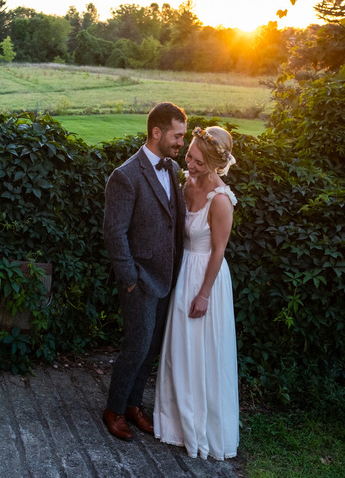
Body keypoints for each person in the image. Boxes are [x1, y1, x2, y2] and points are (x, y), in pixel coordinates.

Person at [102, 102, 187, 441]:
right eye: (177, 135)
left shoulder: (173, 170)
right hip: (140, 279)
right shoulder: (125, 175)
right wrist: (130, 280)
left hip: (168, 277)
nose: (180, 142)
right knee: (136, 347)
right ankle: (114, 409)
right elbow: (114, 232)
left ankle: (134, 405)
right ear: (157, 132)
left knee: (151, 347)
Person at [153, 126, 239, 460]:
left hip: (206, 279)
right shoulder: (186, 184)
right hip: (183, 271)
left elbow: (218, 251)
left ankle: (202, 426)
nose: (190, 164)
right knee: (179, 349)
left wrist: (203, 295)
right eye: (189, 155)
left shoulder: (221, 200)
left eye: (199, 162)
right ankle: (173, 422)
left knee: (203, 353)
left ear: (217, 164)